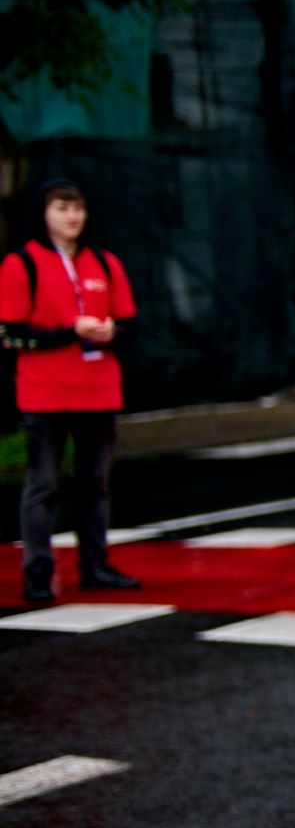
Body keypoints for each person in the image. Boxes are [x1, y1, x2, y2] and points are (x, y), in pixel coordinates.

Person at [3, 178, 142, 606]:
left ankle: (95, 564)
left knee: (95, 483)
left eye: (78, 208)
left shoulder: (105, 262)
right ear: (44, 214)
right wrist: (69, 333)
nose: (72, 216)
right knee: (43, 484)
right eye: (62, 208)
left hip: (98, 391)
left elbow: (131, 324)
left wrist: (110, 332)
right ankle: (39, 572)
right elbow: (11, 333)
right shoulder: (20, 264)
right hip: (45, 393)